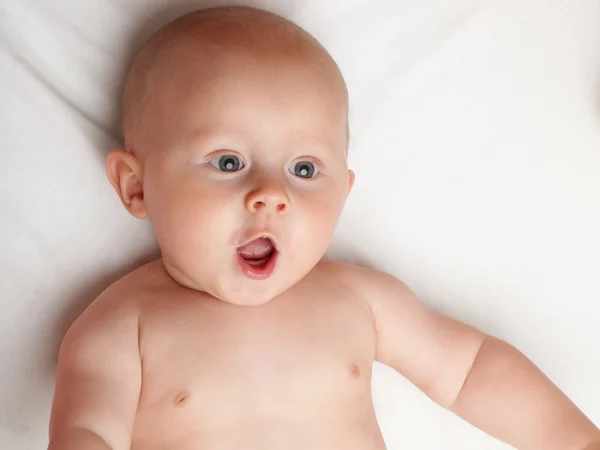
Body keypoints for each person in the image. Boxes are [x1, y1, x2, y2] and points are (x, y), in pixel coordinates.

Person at [48, 6, 600, 450]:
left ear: (344, 193)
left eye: (305, 170)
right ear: (136, 186)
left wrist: (575, 439)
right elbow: (86, 435)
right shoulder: (122, 329)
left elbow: (470, 369)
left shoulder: (358, 300)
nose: (272, 195)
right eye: (228, 162)